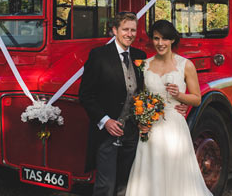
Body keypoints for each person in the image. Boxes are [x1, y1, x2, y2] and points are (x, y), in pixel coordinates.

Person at [79, 13, 188, 196]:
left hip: (133, 131)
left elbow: (148, 90)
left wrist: (179, 103)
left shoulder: (140, 56)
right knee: (106, 184)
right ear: (114, 30)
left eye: (133, 30)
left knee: (126, 184)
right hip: (107, 132)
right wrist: (106, 121)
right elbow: (85, 95)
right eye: (125, 29)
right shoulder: (98, 55)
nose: (129, 34)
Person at [125, 20, 213, 196]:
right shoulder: (144, 64)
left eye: (165, 39)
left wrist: (179, 96)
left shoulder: (185, 65)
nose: (160, 43)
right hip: (150, 130)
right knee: (150, 174)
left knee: (176, 175)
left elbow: (197, 99)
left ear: (172, 40)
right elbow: (140, 97)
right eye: (156, 38)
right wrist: (141, 121)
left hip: (174, 128)